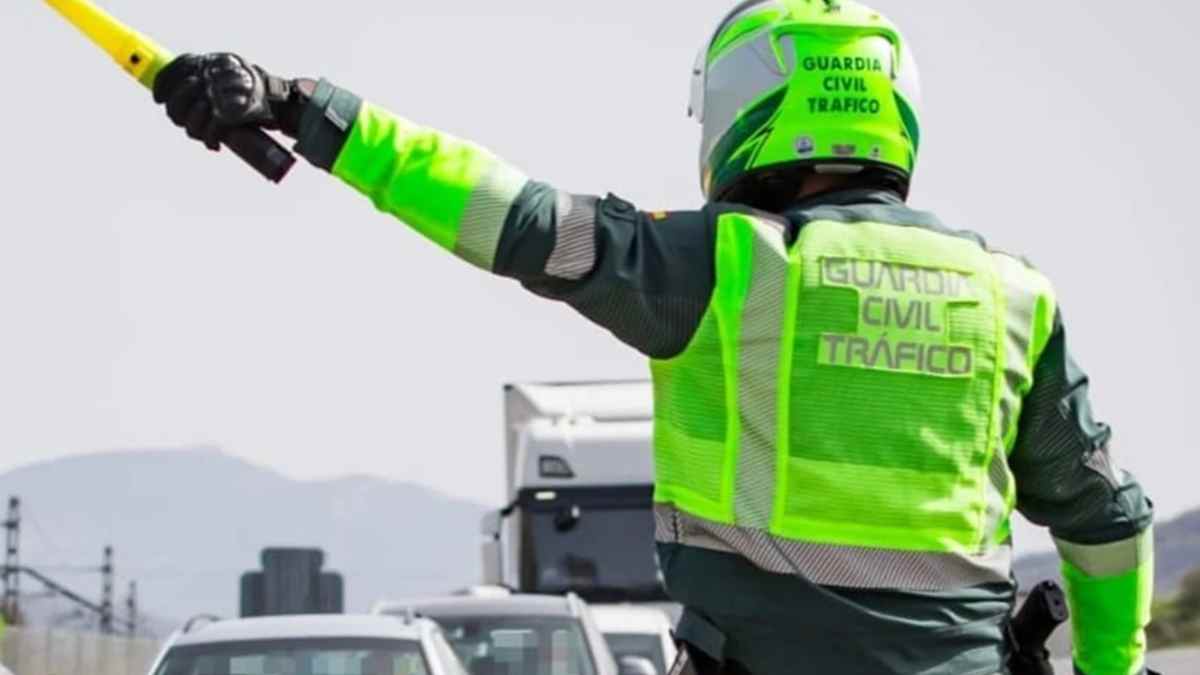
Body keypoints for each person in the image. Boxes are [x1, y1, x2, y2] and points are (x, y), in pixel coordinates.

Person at [151, 0, 1154, 673]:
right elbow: (1106, 524)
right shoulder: (1013, 296)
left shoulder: (725, 265)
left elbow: (511, 215)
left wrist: (299, 106)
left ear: (743, 106)